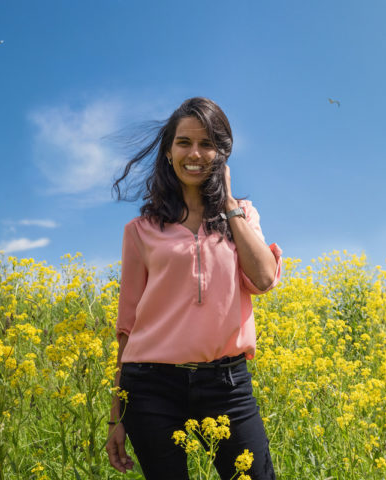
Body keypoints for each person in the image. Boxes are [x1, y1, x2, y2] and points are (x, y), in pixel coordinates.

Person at [106, 97, 282, 480]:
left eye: (207, 144)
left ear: (222, 154)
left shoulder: (242, 215)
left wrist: (230, 205)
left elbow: (265, 279)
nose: (195, 153)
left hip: (227, 385)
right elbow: (127, 326)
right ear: (168, 152)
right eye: (184, 143)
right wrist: (115, 417)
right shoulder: (140, 231)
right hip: (150, 386)